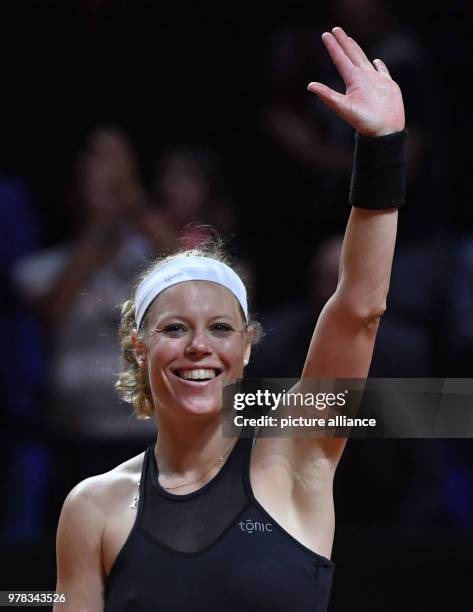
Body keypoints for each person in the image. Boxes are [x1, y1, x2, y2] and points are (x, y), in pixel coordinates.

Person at [54, 27, 406, 611]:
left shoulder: (299, 452)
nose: (199, 346)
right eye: (174, 329)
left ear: (246, 348)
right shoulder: (93, 507)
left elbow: (360, 310)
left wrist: (382, 149)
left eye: (220, 329)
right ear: (139, 348)